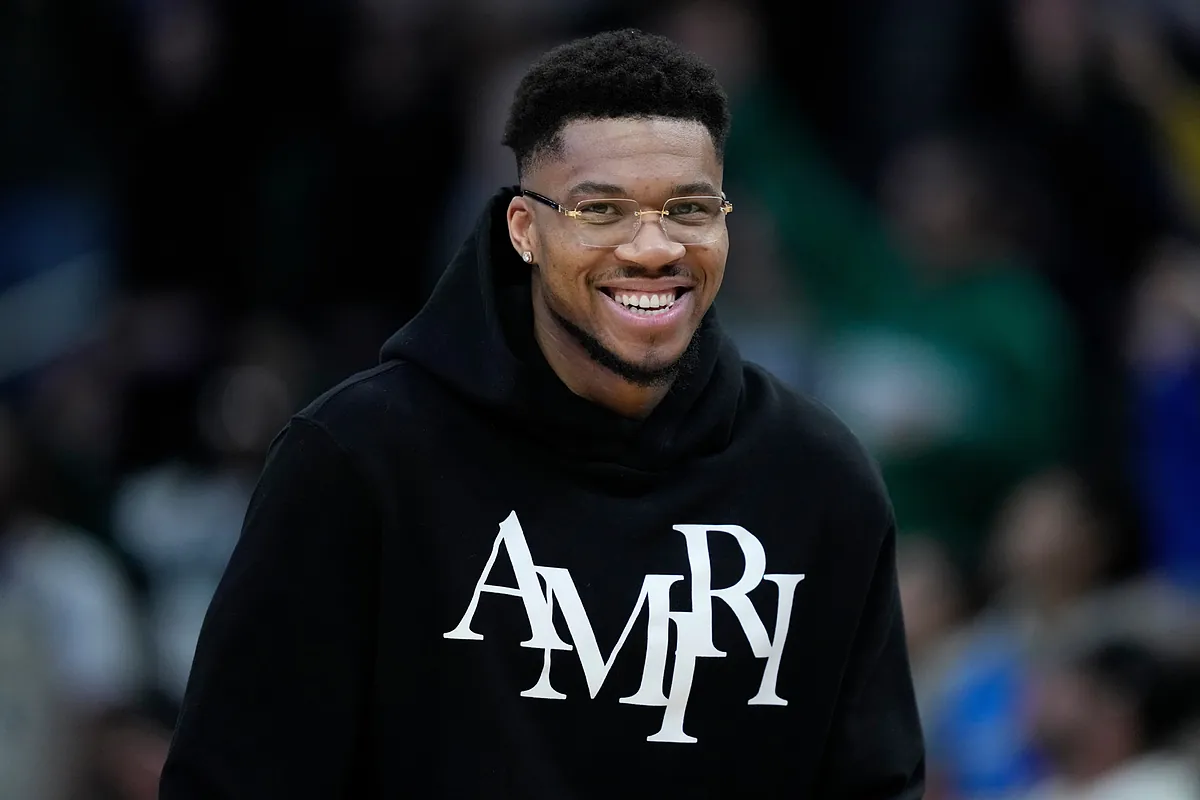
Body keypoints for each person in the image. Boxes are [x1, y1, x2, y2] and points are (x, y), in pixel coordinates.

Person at [158, 28, 925, 798]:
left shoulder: (819, 482)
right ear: (524, 229)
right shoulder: (358, 459)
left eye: (689, 208)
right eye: (603, 210)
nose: (653, 249)